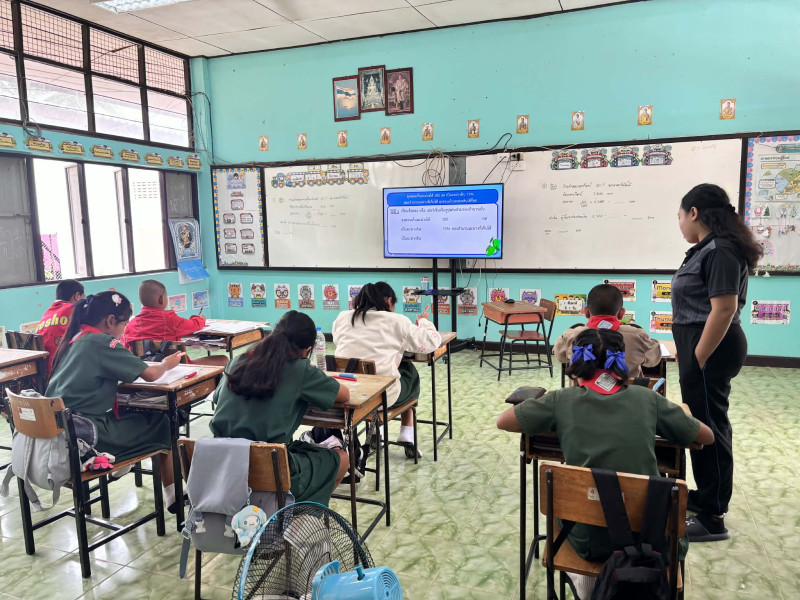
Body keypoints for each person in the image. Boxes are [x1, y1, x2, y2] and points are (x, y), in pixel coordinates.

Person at [497, 328, 713, 598]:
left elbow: (503, 421)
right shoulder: (647, 398)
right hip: (650, 538)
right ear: (620, 362)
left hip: (587, 541)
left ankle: (586, 583)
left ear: (576, 361)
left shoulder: (560, 400)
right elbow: (706, 436)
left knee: (572, 502)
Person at [672, 183, 762, 542]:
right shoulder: (706, 248)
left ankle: (713, 516)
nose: (680, 223)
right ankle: (707, 495)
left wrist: (699, 355)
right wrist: (687, 348)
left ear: (694, 213)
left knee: (710, 427)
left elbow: (724, 309)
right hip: (701, 346)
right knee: (702, 423)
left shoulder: (720, 250)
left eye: (680, 216)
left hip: (712, 349)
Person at [46, 291, 184, 512]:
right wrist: (167, 364)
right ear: (110, 320)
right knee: (163, 422)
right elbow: (150, 374)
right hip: (89, 438)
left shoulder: (73, 339)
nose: (124, 330)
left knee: (135, 417)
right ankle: (173, 494)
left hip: (61, 436)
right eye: (124, 324)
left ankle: (132, 465)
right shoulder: (102, 342)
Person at [210, 311, 350, 506]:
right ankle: (297, 514)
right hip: (269, 469)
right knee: (341, 459)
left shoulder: (237, 362)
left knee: (293, 449)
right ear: (307, 350)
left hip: (223, 467)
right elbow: (344, 395)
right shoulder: (300, 369)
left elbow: (217, 399)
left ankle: (281, 513)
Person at [332, 282, 441, 452]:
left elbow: (338, 341)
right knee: (410, 375)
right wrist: (424, 322)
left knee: (377, 374)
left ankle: (377, 432)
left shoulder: (343, 317)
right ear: (389, 301)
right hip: (381, 398)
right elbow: (431, 342)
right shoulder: (397, 320)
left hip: (347, 394)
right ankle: (407, 433)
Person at [554, 283, 661, 376]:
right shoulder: (638, 335)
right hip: (628, 392)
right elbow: (654, 360)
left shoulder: (571, 335)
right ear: (621, 313)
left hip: (583, 393)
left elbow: (560, 357)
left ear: (586, 312)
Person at [122, 280, 227, 367]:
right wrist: (200, 318)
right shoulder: (169, 319)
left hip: (145, 372)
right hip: (178, 368)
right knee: (224, 359)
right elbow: (194, 325)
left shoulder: (130, 325)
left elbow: (125, 351)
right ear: (161, 299)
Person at [35, 279, 85, 375]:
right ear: (77, 296)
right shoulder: (74, 309)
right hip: (61, 371)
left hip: (43, 371)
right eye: (84, 298)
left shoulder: (48, 312)